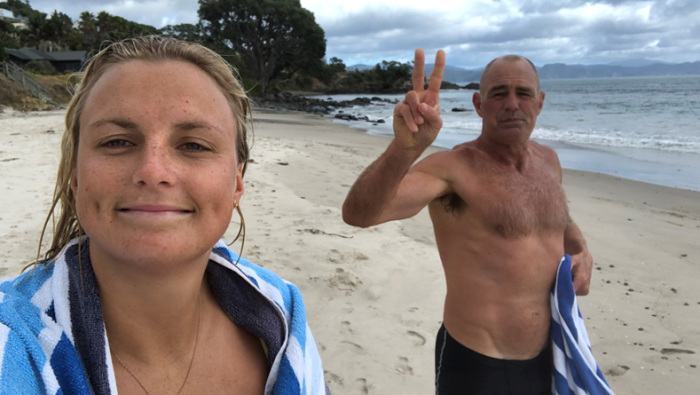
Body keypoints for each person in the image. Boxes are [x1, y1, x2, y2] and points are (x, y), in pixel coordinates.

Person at [0, 36, 329, 395]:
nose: (153, 170)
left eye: (193, 145)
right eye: (117, 141)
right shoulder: (11, 340)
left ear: (236, 182)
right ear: (75, 176)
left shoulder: (283, 312)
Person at [342, 50, 595, 394]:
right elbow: (360, 214)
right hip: (476, 364)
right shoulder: (452, 170)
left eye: (523, 93)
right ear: (478, 104)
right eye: (498, 94)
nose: (511, 104)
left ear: (540, 102)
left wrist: (582, 252)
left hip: (550, 354)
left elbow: (555, 219)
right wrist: (405, 150)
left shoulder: (548, 162)